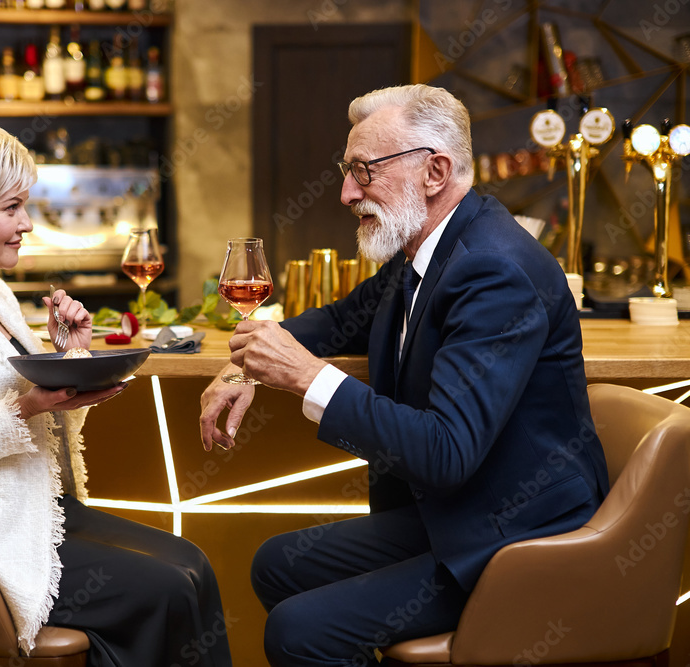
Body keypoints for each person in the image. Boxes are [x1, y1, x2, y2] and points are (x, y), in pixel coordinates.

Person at [199, 84, 609, 666]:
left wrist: (307, 378)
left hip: (519, 534)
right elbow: (339, 320)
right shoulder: (426, 249)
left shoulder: (493, 270)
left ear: (435, 172)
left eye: (363, 172)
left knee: (299, 631)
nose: (345, 192)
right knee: (277, 562)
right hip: (460, 511)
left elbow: (446, 451)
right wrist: (242, 362)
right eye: (347, 171)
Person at [0, 120, 233, 667]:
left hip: (28, 506)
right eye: (10, 208)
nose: (27, 223)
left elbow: (33, 402)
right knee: (169, 589)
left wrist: (66, 355)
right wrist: (26, 405)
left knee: (193, 564)